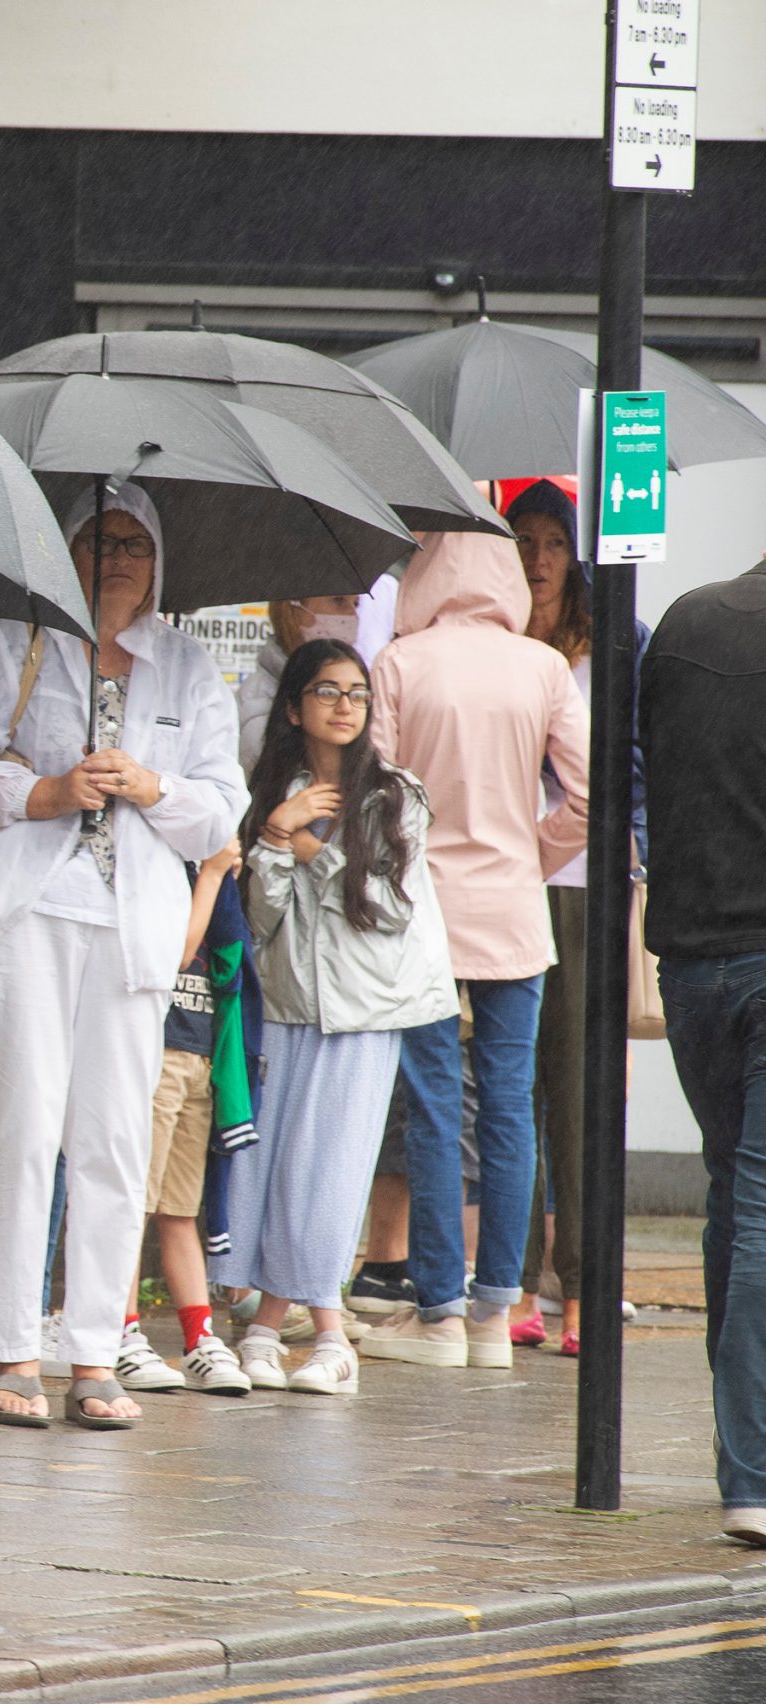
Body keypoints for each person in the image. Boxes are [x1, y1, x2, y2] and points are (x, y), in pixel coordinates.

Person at [0, 483, 244, 1432]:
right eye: (97, 543)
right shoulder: (15, 643)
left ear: (158, 563)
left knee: (113, 1141)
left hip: (135, 925)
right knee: (20, 1131)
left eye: (133, 546)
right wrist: (49, 790)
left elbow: (223, 808)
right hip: (26, 911)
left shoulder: (185, 667)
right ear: (64, 553)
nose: (115, 562)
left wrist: (151, 785)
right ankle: (15, 1348)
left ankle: (96, 1351)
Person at [362, 532, 587, 1372]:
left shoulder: (401, 662)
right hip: (516, 911)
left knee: (432, 1103)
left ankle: (439, 1310)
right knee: (507, 1104)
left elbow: (373, 793)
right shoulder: (541, 667)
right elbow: (594, 788)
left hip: (422, 911)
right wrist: (534, 850)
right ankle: (499, 1312)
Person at [222, 641, 457, 1398]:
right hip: (288, 1004)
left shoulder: (395, 794)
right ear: (294, 707)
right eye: (327, 690)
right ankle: (269, 1328)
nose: (345, 704)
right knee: (275, 1167)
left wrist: (311, 847)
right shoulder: (274, 792)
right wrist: (271, 839)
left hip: (363, 1012)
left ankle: (327, 1338)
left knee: (331, 1172)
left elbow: (389, 908)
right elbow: (259, 921)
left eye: (356, 691)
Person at [639, 540, 766, 1546]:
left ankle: (741, 1461)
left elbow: (647, 784)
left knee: (733, 1189)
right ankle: (753, 1471)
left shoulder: (683, 625)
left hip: (692, 965)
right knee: (757, 1204)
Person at [506, 479, 643, 1356]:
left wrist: (635, 845)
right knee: (512, 1086)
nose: (539, 561)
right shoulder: (495, 648)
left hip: (588, 884)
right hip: (510, 883)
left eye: (554, 544)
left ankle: (587, 1294)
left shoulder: (614, 642)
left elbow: (634, 762)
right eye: (523, 543)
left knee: (581, 1089)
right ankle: (514, 1284)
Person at [114, 841, 256, 1398]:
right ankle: (120, 1331)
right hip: (158, 1050)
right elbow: (176, 951)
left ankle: (198, 1338)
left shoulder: (206, 865)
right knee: (135, 1202)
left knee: (179, 1208)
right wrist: (216, 869)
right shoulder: (156, 862)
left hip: (198, 1051)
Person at [237, 597, 362, 771]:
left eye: (356, 604)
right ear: (293, 610)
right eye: (338, 601)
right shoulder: (258, 703)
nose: (353, 614)